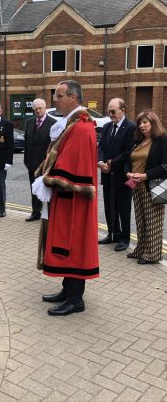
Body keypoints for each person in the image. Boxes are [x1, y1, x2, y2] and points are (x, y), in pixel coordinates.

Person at [39, 80, 99, 316]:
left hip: (75, 201)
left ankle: (76, 299)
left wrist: (48, 178)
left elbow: (73, 166)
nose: (56, 99)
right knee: (66, 245)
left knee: (74, 246)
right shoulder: (73, 124)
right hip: (67, 198)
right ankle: (67, 289)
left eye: (59, 95)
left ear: (73, 98)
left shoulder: (82, 128)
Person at [125, 110, 167, 264]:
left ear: (153, 123)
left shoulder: (162, 140)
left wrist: (145, 175)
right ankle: (141, 250)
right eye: (140, 123)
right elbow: (129, 161)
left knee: (153, 222)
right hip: (136, 187)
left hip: (152, 186)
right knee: (141, 221)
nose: (141, 125)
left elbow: (165, 166)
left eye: (145, 122)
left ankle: (153, 255)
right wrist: (128, 173)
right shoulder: (138, 141)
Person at [98, 98, 135, 251]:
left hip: (122, 175)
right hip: (107, 174)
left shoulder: (131, 127)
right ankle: (112, 233)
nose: (110, 114)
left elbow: (128, 151)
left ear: (123, 110)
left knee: (123, 208)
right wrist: (100, 162)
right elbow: (100, 146)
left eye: (113, 111)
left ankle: (124, 238)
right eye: (109, 111)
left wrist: (112, 163)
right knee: (109, 206)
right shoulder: (107, 126)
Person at [24, 99, 56, 222]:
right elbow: (27, 143)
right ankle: (36, 212)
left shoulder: (53, 123)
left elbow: (54, 146)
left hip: (46, 163)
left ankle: (49, 214)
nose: (38, 110)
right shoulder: (29, 122)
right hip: (31, 162)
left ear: (45, 107)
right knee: (34, 188)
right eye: (35, 109)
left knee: (48, 188)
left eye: (40, 108)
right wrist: (26, 160)